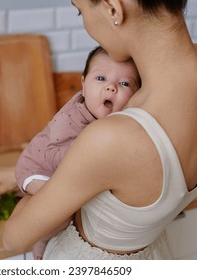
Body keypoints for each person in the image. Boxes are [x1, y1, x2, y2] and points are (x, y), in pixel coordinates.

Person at [0, 0, 197, 260]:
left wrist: (32, 185)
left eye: (80, 12)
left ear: (113, 8)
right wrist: (27, 174)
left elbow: (14, 238)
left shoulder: (112, 138)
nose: (86, 24)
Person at [15, 46, 140, 259]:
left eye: (124, 83)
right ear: (83, 84)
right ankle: (41, 240)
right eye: (100, 78)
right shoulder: (71, 120)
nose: (111, 88)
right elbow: (51, 154)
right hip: (36, 169)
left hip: (62, 171)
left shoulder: (118, 122)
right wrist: (84, 154)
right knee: (64, 212)